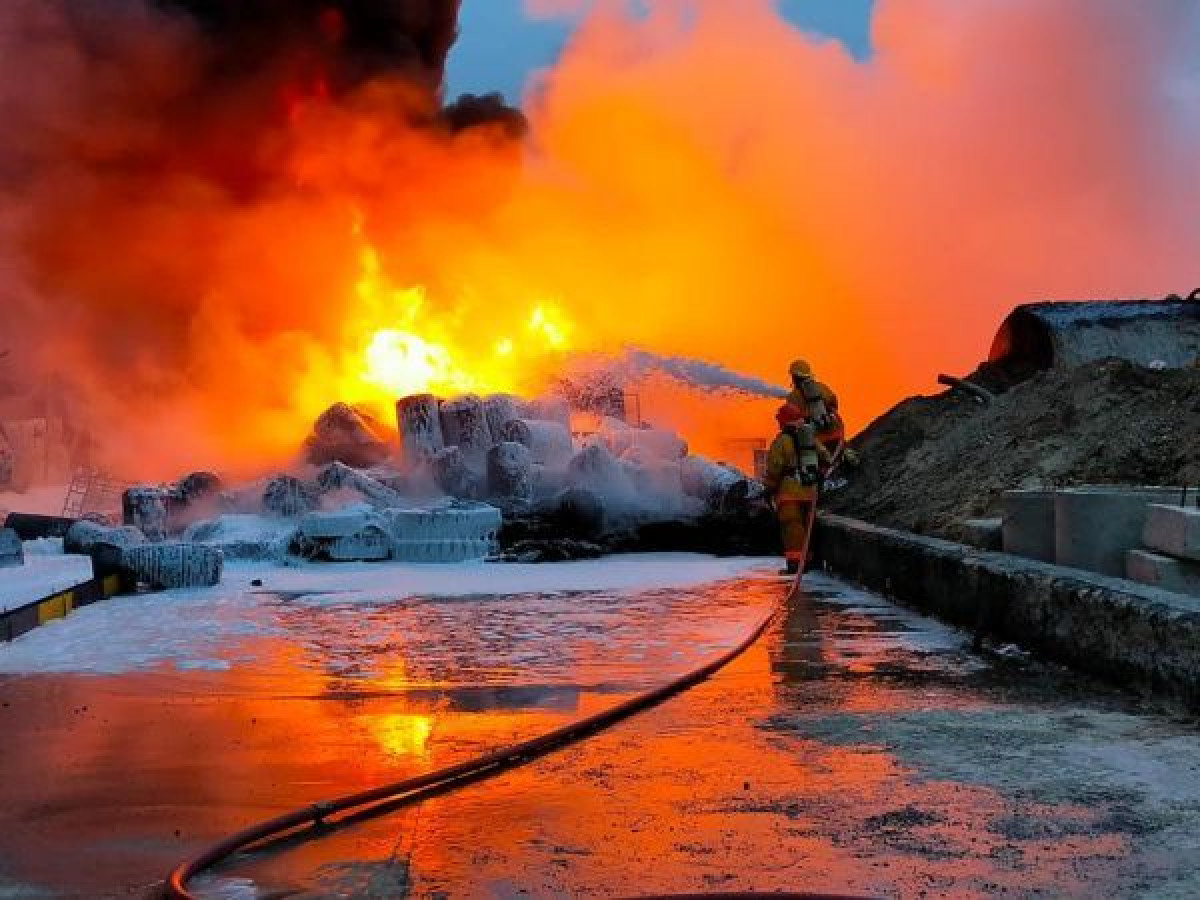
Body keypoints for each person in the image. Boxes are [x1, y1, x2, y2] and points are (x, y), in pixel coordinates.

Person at [764, 403, 831, 576]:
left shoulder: (781, 442)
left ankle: (795, 565)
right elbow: (826, 456)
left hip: (789, 493)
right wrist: (818, 475)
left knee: (792, 528)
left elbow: (775, 468)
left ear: (783, 422)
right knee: (807, 528)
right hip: (810, 492)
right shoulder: (810, 439)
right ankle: (808, 562)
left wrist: (769, 488)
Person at [786, 359, 845, 467]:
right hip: (835, 433)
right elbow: (834, 403)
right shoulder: (822, 387)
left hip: (815, 442)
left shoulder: (792, 398)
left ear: (794, 376)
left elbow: (795, 422)